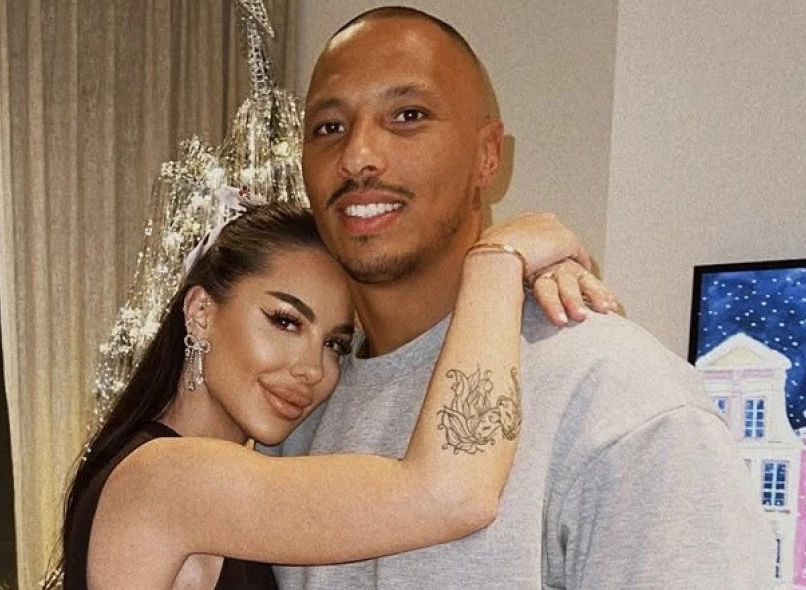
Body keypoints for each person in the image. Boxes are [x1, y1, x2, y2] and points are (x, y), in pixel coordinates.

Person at [275, 6, 773, 590]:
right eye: (328, 127)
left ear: (489, 155)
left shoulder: (613, 393)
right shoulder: (298, 400)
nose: (358, 155)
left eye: (408, 115)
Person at [51, 200, 611, 589]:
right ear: (200, 311)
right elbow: (454, 494)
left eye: (335, 345)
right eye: (285, 321)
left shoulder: (183, 470)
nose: (311, 369)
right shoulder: (167, 478)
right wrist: (497, 263)